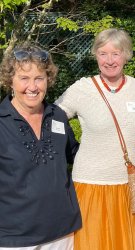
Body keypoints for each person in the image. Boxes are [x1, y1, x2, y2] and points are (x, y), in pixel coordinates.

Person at [55, 28, 135, 250]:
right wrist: (69, 148)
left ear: (126, 55)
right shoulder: (82, 88)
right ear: (95, 55)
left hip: (130, 188)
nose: (109, 60)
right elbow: (51, 118)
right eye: (103, 53)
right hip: (91, 185)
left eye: (115, 53)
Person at [0, 43, 81, 249]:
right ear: (10, 80)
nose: (33, 87)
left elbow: (77, 155)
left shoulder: (58, 116)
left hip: (62, 233)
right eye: (24, 78)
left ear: (48, 79)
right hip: (15, 237)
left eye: (39, 78)